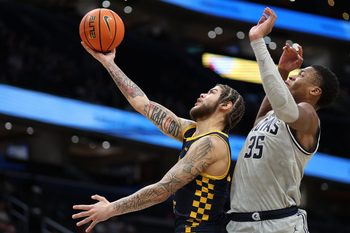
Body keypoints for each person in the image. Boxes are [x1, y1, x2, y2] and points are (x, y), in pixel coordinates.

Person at [72, 42, 245, 232]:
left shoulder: (212, 144)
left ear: (226, 106)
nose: (202, 94)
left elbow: (162, 190)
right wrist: (108, 63)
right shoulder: (191, 131)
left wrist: (111, 209)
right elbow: (142, 104)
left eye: (212, 92)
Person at [226, 7, 339, 233]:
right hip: (240, 222)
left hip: (277, 224)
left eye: (301, 75)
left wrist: (258, 42)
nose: (294, 76)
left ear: (315, 91)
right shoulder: (275, 114)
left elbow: (284, 108)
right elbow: (259, 120)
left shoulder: (308, 117)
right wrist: (281, 70)